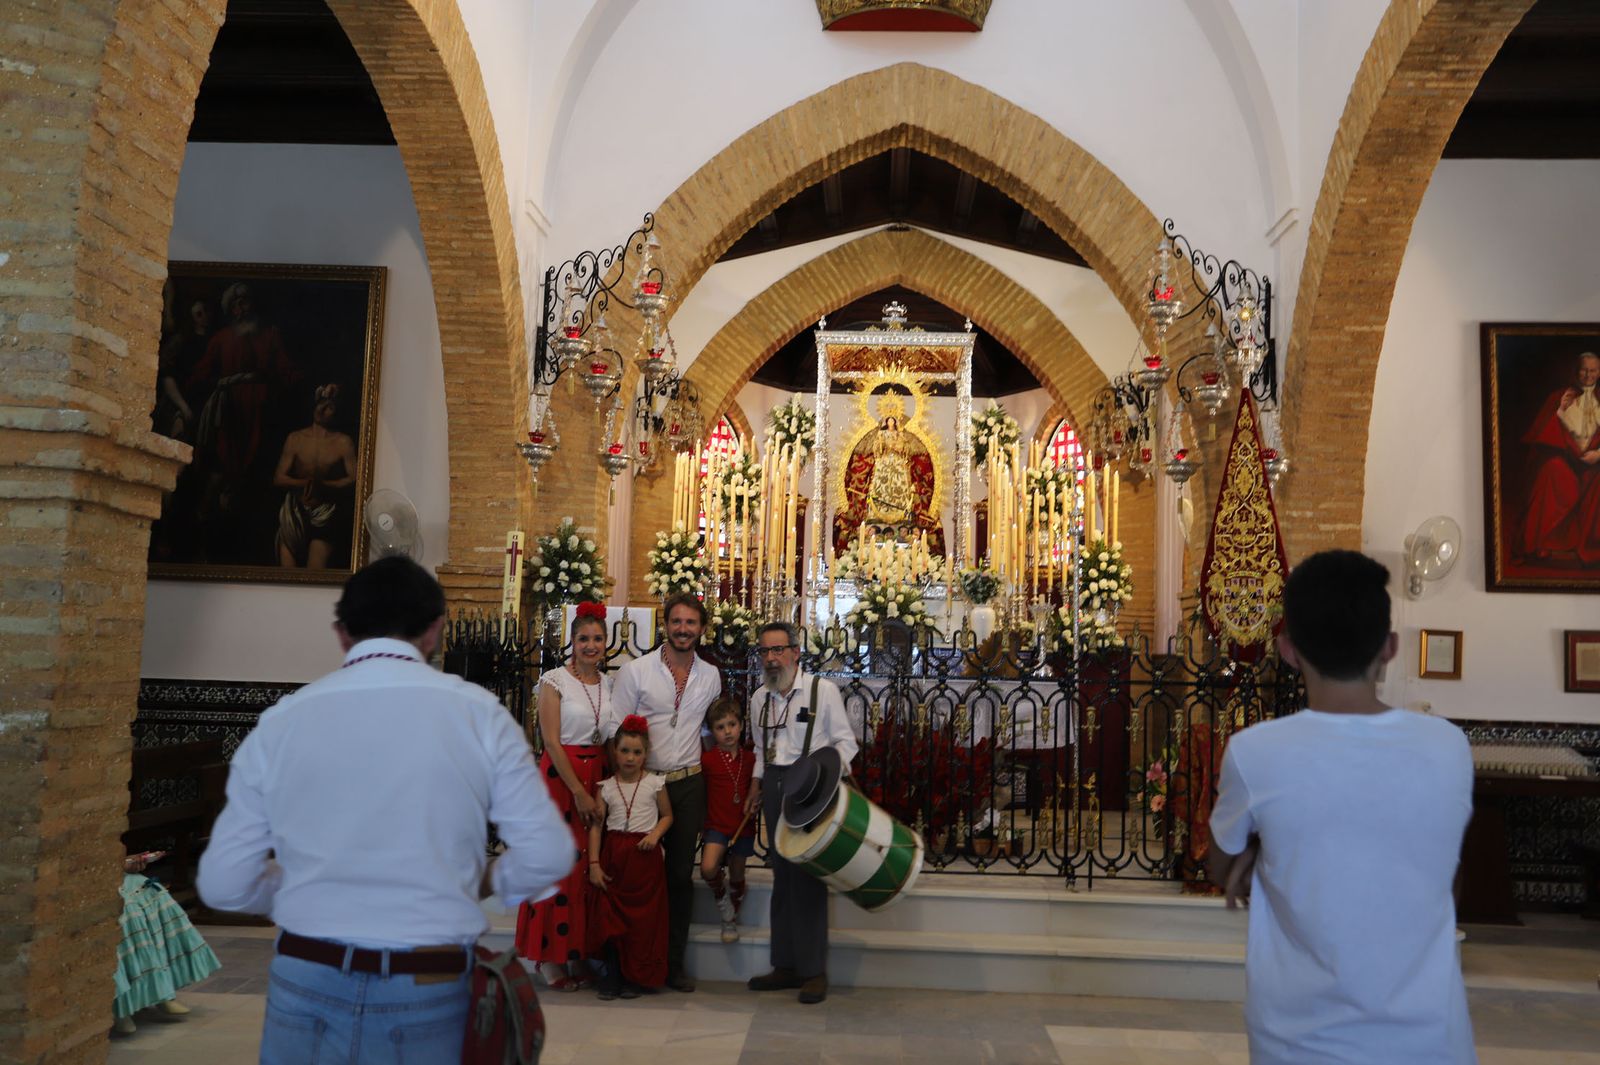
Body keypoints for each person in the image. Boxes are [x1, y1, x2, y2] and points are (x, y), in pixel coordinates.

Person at [197, 555, 574, 1063]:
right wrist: (480, 879)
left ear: (341, 633)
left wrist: (307, 880)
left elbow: (222, 883)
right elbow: (548, 855)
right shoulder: (478, 714)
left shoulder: (283, 721)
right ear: (435, 631)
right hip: (426, 984)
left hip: (306, 975)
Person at [1208, 550, 1476, 1064]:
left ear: (1287, 650)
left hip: (1300, 1041)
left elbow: (1220, 866)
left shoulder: (1255, 752)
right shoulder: (1448, 748)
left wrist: (1260, 852)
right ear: (1390, 647)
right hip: (1428, 1039)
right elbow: (1450, 880)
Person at [607, 591, 721, 992]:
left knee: (677, 877)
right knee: (635, 876)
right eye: (677, 621)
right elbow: (616, 729)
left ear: (702, 629)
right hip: (644, 783)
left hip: (688, 783)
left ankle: (671, 964)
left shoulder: (710, 676)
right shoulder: (636, 671)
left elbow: (708, 732)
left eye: (691, 623)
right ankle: (626, 965)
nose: (683, 629)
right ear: (665, 625)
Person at [744, 621, 859, 1005]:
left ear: (795, 652)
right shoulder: (760, 697)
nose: (772, 658)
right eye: (765, 651)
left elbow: (846, 742)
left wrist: (826, 778)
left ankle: (813, 971)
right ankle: (785, 965)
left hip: (812, 788)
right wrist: (757, 785)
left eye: (779, 650)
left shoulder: (821, 691)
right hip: (777, 786)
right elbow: (761, 750)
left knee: (808, 877)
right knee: (782, 875)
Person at [516, 600, 611, 990]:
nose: (591, 645)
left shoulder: (609, 684)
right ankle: (547, 958)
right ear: (572, 642)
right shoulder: (555, 681)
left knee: (585, 872)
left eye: (598, 639)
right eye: (584, 638)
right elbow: (552, 742)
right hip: (561, 779)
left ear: (607, 643)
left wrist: (601, 790)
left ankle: (576, 953)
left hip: (596, 774)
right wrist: (577, 792)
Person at [586, 714, 673, 1000]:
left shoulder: (655, 784)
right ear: (615, 751)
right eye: (624, 751)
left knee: (642, 923)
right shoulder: (605, 787)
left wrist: (655, 835)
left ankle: (636, 976)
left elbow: (667, 816)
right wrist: (594, 863)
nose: (630, 758)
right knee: (611, 919)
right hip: (614, 859)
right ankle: (613, 974)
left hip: (644, 861)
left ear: (646, 754)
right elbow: (597, 826)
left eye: (637, 752)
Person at [111, 851, 221, 1036]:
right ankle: (121, 1008)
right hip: (90, 885)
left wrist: (126, 862)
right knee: (130, 913)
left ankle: (163, 991)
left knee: (155, 892)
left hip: (113, 874)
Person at [1520, 350, 1600, 562]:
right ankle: (1541, 543)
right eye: (1584, 370)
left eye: (1593, 371)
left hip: (1595, 465)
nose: (1588, 375)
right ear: (1576, 371)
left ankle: (1591, 549)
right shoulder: (1558, 397)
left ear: (1599, 372)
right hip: (1567, 460)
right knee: (1550, 469)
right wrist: (1560, 412)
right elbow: (1542, 437)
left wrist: (1598, 455)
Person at [272, 382, 357, 568]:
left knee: (314, 573)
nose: (324, 409)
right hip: (294, 513)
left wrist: (324, 485)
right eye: (321, 404)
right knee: (286, 577)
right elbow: (279, 477)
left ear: (337, 411)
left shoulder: (344, 442)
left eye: (330, 407)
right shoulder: (295, 438)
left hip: (325, 513)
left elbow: (355, 479)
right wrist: (306, 482)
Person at [700, 697, 756, 944]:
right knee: (709, 867)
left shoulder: (751, 760)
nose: (727, 732)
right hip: (717, 825)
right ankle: (723, 901)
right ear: (712, 732)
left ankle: (730, 919)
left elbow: (757, 789)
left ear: (741, 725)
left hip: (742, 826)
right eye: (720, 727)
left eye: (731, 725)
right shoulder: (708, 760)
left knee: (737, 873)